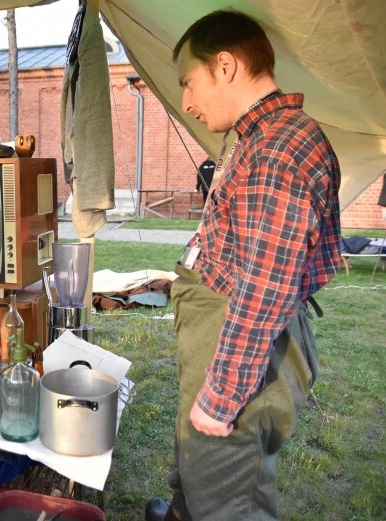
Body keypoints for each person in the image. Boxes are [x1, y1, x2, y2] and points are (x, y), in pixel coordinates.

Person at [145, 10, 342, 521]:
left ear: (226, 65)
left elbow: (264, 289)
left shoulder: (277, 149)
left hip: (241, 346)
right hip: (219, 326)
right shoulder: (258, 137)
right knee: (197, 468)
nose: (185, 102)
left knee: (228, 498)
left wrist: (223, 394)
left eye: (189, 82)